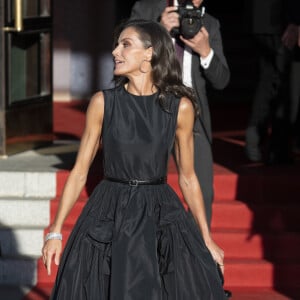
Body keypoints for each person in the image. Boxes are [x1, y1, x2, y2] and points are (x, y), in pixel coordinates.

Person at [42, 19, 226, 299]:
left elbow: (188, 177)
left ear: (149, 53)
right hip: (109, 208)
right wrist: (55, 232)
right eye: (117, 45)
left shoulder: (180, 108)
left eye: (125, 45)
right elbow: (80, 171)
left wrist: (206, 236)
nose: (115, 51)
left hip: (159, 210)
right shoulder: (103, 103)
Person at [130, 0, 230, 227]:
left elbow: (222, 80)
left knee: (202, 195)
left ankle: (194, 257)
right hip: (151, 110)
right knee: (145, 190)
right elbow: (123, 56)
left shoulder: (209, 24)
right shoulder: (147, 9)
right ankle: (145, 254)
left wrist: (206, 52)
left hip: (192, 114)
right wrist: (158, 30)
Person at [244, 0, 300, 164]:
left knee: (269, 78)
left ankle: (258, 140)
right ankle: (276, 148)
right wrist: (295, 20)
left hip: (261, 19)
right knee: (281, 83)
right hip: (278, 20)